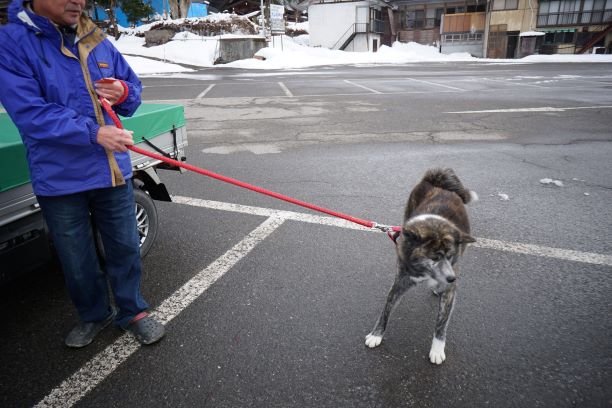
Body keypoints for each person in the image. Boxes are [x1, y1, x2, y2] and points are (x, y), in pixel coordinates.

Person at [0, 0, 165, 347]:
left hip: (111, 171)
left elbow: (132, 91)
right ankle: (93, 314)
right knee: (76, 258)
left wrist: (123, 92)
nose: (78, 1)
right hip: (58, 177)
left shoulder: (96, 38)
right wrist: (94, 133)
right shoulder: (12, 41)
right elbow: (30, 113)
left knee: (124, 247)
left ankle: (133, 310)